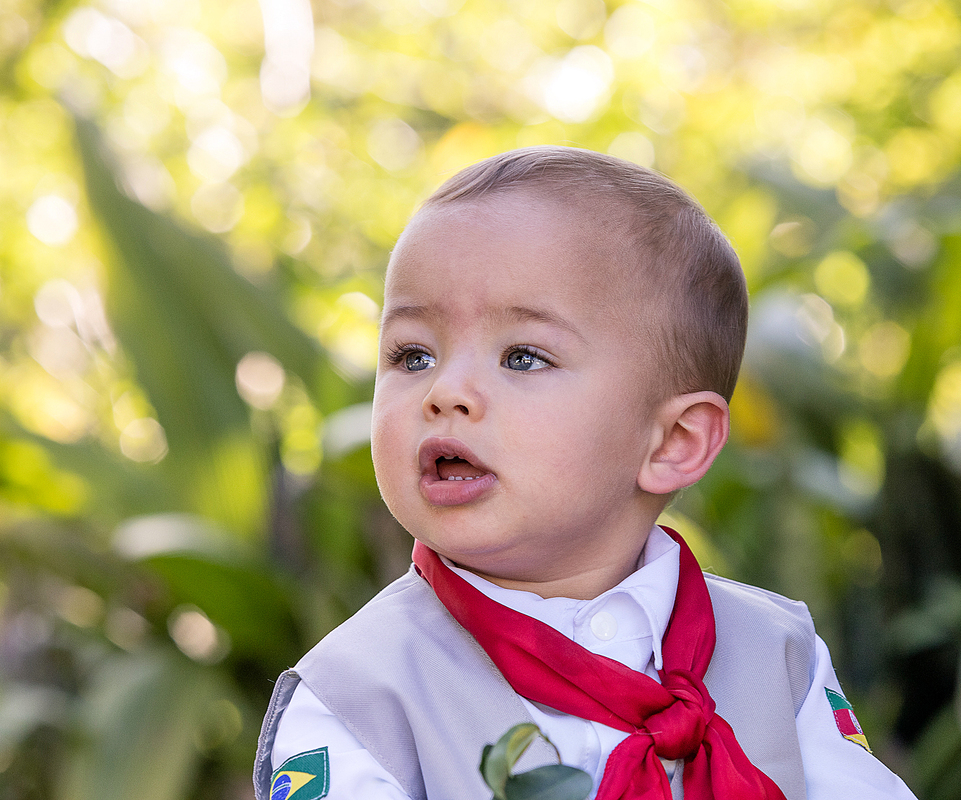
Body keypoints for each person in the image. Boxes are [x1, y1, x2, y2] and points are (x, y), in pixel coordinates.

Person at [254, 146, 918, 800]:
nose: (445, 390)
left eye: (521, 358)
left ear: (674, 442)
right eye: (412, 354)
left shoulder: (777, 654)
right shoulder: (357, 697)